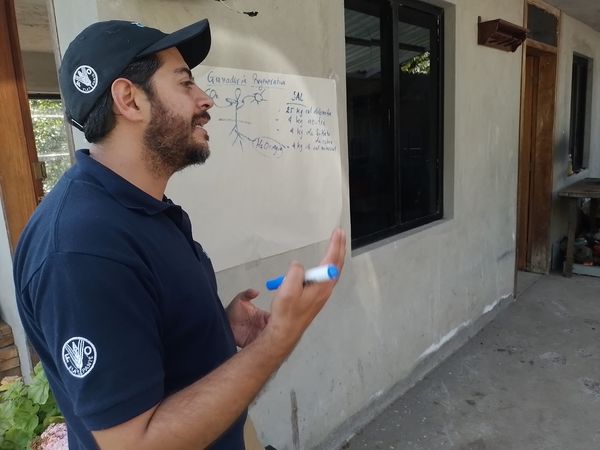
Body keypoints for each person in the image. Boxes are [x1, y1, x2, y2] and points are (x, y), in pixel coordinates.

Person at [13, 18, 345, 450]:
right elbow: (133, 444)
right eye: (185, 83)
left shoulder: (142, 210)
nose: (205, 99)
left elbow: (150, 336)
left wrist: (212, 330)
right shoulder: (82, 250)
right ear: (129, 99)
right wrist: (279, 339)